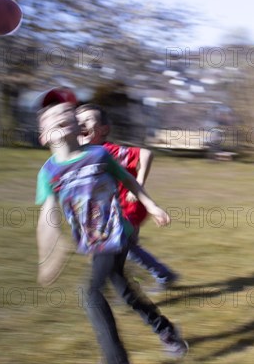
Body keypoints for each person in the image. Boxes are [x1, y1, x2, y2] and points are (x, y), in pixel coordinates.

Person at [35, 101, 188, 363]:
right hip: (94, 243)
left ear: (77, 128)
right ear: (43, 136)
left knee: (91, 293)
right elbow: (47, 215)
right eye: (52, 117)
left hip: (118, 233)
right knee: (126, 293)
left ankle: (116, 359)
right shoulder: (48, 172)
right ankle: (168, 331)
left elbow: (127, 179)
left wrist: (151, 206)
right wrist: (47, 256)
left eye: (66, 115)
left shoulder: (99, 155)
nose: (60, 117)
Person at [75, 103, 179, 288]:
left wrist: (137, 184)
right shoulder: (82, 155)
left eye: (88, 120)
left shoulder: (109, 151)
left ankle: (162, 274)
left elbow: (146, 154)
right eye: (78, 121)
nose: (82, 124)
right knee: (120, 249)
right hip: (113, 212)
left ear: (104, 129)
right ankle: (116, 285)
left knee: (122, 247)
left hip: (130, 207)